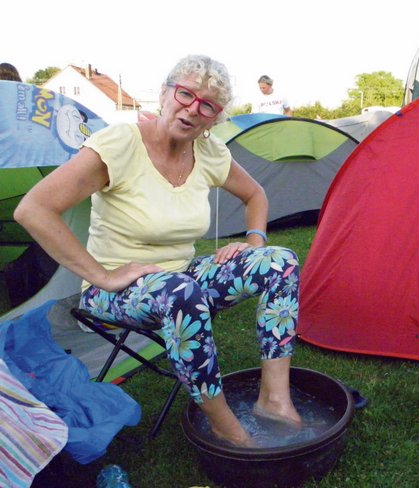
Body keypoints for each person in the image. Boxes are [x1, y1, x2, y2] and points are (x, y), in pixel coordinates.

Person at [14, 54, 301, 447]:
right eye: (185, 94)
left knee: (279, 263)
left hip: (181, 277)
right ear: (165, 93)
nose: (192, 109)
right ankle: (223, 424)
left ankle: (274, 399)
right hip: (113, 291)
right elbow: (33, 210)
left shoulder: (211, 152)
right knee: (182, 295)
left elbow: (256, 194)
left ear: (214, 118)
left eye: (207, 106)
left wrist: (253, 243)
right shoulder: (119, 144)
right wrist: (101, 275)